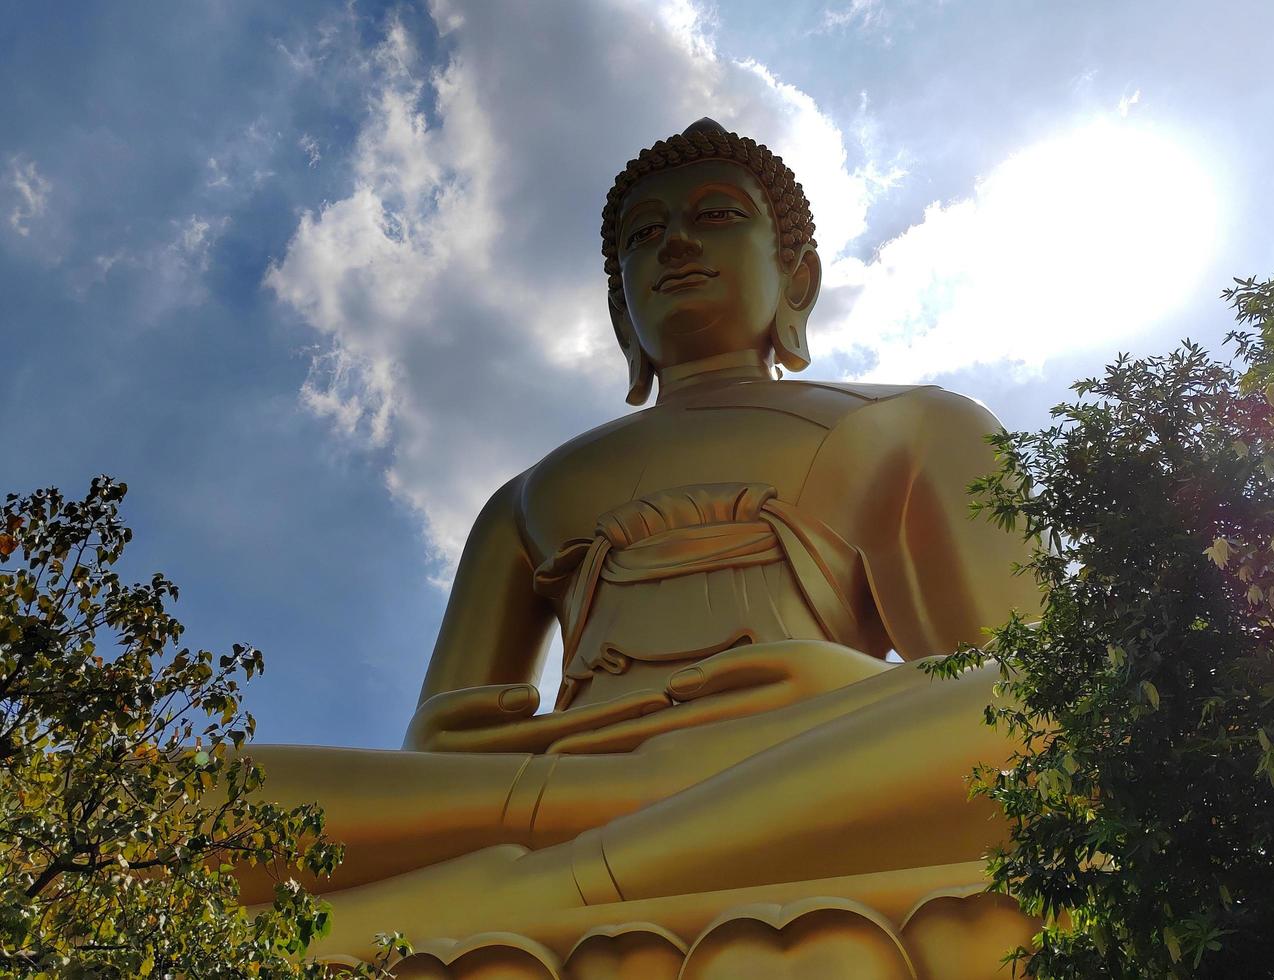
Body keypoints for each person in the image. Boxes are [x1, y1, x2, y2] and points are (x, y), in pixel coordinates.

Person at [243, 119, 1040, 959]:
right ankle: (597, 837)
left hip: (811, 750)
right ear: (621, 307)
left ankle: (532, 889)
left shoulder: (915, 426)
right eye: (644, 235)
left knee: (1068, 708)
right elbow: (434, 746)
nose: (677, 245)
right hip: (555, 778)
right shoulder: (527, 496)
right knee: (149, 805)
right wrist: (486, 744)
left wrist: (841, 690)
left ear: (795, 278)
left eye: (717, 215)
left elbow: (1029, 682)